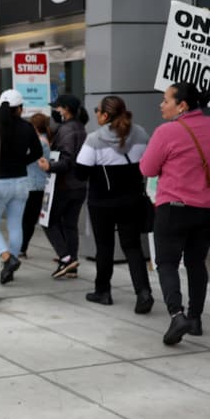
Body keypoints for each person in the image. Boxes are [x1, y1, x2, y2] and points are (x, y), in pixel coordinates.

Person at [140, 81, 210, 346]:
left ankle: (176, 314)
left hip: (174, 208)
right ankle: (195, 318)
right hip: (208, 210)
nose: (161, 104)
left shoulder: (166, 132)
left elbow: (147, 168)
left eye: (166, 100)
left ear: (182, 105)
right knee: (196, 262)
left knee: (166, 262)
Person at [76, 95, 154, 312]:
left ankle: (103, 291)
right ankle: (143, 292)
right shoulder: (139, 133)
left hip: (102, 203)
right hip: (132, 200)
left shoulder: (94, 139)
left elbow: (81, 173)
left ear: (105, 115)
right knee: (132, 247)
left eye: (97, 110)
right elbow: (149, 163)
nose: (95, 114)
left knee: (104, 247)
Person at [37, 94, 89, 278]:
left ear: (66, 109)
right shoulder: (81, 128)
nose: (55, 111)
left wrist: (48, 166)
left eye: (57, 108)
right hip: (79, 185)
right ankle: (71, 264)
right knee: (70, 225)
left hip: (65, 185)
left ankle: (66, 257)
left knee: (47, 221)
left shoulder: (68, 130)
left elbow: (67, 160)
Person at [0, 89, 42, 284]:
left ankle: (7, 257)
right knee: (16, 225)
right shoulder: (27, 127)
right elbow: (37, 151)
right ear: (20, 108)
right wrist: (22, 161)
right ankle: (9, 270)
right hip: (22, 181)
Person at [20, 112, 51, 259]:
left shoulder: (39, 142)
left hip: (33, 185)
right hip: (39, 184)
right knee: (29, 219)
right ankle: (22, 247)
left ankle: (22, 247)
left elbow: (23, 157)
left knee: (27, 219)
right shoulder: (46, 140)